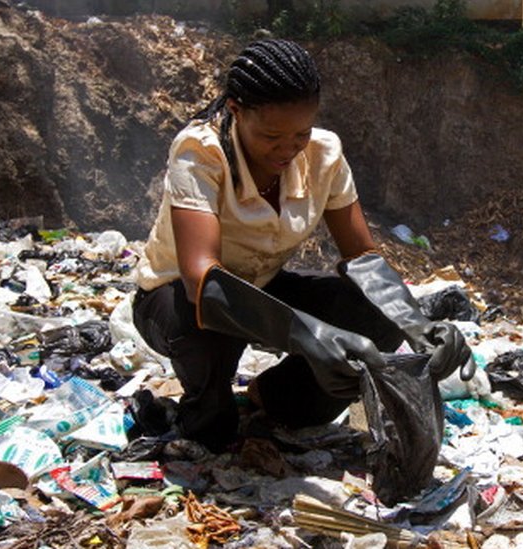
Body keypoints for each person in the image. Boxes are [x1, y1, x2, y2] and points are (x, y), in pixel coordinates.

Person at [132, 38, 474, 452]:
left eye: (300, 133)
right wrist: (310, 333)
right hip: (176, 301)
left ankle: (273, 399)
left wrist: (418, 324)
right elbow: (201, 277)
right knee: (214, 424)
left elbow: (364, 258)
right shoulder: (200, 152)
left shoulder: (322, 153)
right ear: (236, 112)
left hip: (262, 286)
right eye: (272, 136)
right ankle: (207, 407)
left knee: (371, 312)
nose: (288, 149)